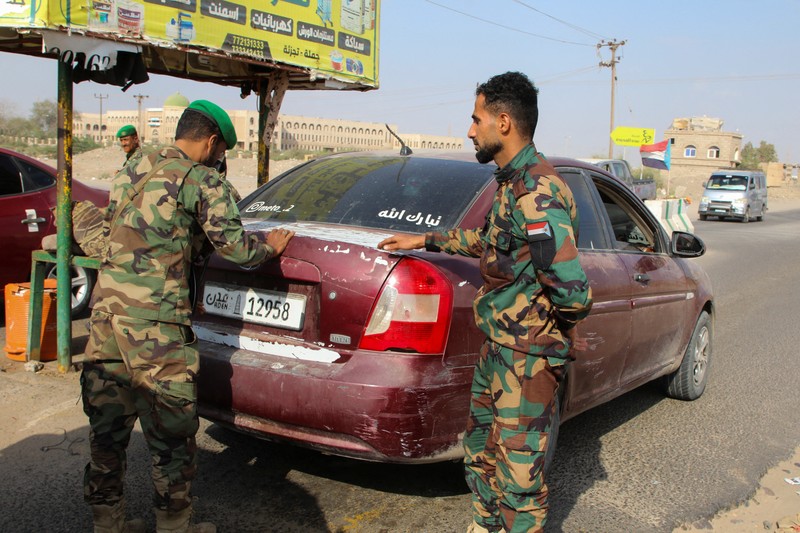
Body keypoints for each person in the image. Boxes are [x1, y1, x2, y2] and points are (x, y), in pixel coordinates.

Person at [378, 72, 593, 533]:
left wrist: (551, 331)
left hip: (527, 358)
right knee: (480, 452)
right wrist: (429, 238)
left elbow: (573, 292)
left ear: (503, 122)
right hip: (499, 347)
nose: (470, 130)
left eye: (476, 120)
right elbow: (494, 242)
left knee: (519, 480)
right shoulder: (511, 184)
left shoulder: (539, 193)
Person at [82, 100, 295, 533]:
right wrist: (271, 246)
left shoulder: (134, 165)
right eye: (221, 152)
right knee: (172, 437)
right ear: (213, 142)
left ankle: (108, 524)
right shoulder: (202, 180)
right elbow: (236, 248)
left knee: (107, 431)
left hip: (106, 319)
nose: (221, 160)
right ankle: (174, 527)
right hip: (157, 330)